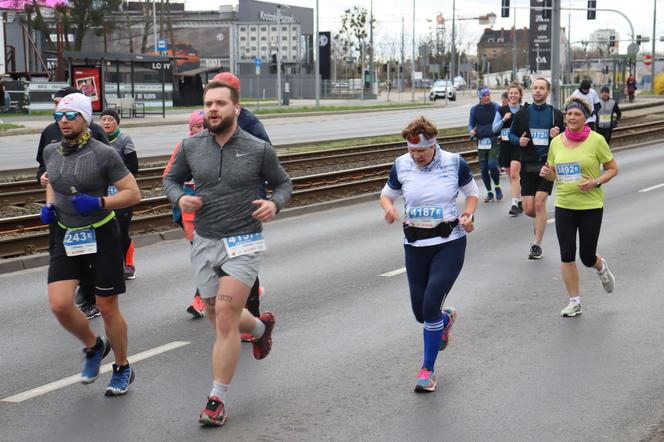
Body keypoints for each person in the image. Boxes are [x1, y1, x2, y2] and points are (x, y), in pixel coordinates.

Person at [163, 80, 293, 426]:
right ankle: (261, 330)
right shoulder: (191, 146)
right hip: (205, 240)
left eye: (220, 103)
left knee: (224, 317)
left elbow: (284, 183)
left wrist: (273, 203)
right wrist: (180, 197)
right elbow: (170, 180)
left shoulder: (257, 148)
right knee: (214, 311)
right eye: (208, 104)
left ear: (237, 108)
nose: (213, 109)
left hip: (243, 240)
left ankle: (216, 399)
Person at [40, 93, 141, 395]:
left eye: (71, 115)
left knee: (106, 306)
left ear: (85, 118)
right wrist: (49, 205)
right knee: (59, 305)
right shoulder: (50, 151)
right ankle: (94, 346)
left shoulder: (104, 153)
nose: (64, 121)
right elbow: (55, 185)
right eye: (60, 115)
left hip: (100, 234)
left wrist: (100, 201)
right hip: (67, 235)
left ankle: (122, 366)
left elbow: (133, 193)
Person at [380, 116, 478, 393]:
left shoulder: (454, 163)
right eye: (411, 151)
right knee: (420, 312)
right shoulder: (402, 164)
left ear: (433, 145)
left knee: (430, 304)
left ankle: (427, 370)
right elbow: (387, 194)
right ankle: (444, 321)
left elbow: (472, 194)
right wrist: (388, 207)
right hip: (415, 246)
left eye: (421, 151)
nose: (416, 156)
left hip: (449, 243)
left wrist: (469, 214)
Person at [539, 96, 618, 317]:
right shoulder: (556, 143)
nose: (572, 117)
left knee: (586, 255)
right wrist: (547, 174)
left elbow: (612, 168)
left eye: (577, 114)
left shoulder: (596, 140)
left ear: (586, 118)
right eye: (569, 114)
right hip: (565, 203)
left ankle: (601, 267)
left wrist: (595, 181)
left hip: (591, 204)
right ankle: (575, 301)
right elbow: (553, 172)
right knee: (566, 254)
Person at [36, 86, 109, 320]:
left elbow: (111, 169)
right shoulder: (49, 133)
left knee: (89, 261)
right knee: (60, 258)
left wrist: (99, 201)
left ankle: (89, 297)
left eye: (67, 111)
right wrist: (44, 180)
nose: (61, 115)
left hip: (92, 218)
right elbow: (43, 165)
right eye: (58, 109)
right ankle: (77, 291)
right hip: (61, 216)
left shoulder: (96, 132)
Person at [508, 77, 565, 260]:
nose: (538, 91)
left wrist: (559, 134)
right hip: (527, 164)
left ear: (547, 92)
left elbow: (566, 138)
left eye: (542, 88)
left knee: (540, 203)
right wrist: (519, 141)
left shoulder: (555, 114)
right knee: (529, 209)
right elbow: (511, 134)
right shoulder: (523, 114)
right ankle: (540, 221)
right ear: (531, 91)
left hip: (547, 164)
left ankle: (536, 245)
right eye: (535, 88)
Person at [100, 108, 139, 280]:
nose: (106, 122)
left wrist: (116, 179)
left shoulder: (124, 140)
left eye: (110, 119)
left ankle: (128, 264)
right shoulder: (96, 140)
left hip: (122, 192)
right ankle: (111, 266)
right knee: (106, 232)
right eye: (104, 119)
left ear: (117, 122)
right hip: (102, 194)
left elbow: (134, 167)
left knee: (121, 231)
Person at [493, 82, 524, 216]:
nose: (513, 95)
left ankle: (515, 204)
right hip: (505, 146)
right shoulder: (501, 110)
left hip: (518, 145)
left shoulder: (524, 110)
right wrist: (504, 120)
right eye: (511, 93)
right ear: (508, 94)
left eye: (515, 93)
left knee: (514, 173)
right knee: (511, 174)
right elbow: (494, 129)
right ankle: (521, 198)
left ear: (520, 95)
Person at [469, 86, 502, 202]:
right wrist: (471, 131)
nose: (487, 97)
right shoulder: (474, 109)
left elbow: (502, 121)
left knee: (492, 165)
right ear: (480, 97)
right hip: (481, 142)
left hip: (494, 141)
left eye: (488, 95)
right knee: (483, 168)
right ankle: (489, 192)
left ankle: (497, 187)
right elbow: (470, 124)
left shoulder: (496, 107)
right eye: (484, 96)